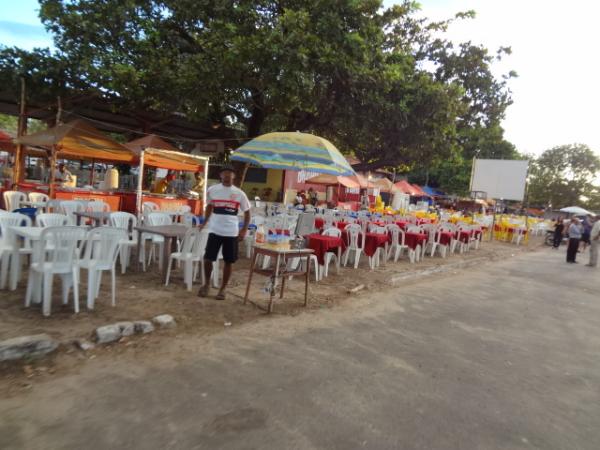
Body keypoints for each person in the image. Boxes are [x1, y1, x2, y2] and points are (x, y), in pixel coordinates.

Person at [198, 164, 251, 300]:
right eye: (224, 173)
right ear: (220, 175)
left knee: (229, 261)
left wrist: (244, 229)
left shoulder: (239, 193)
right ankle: (206, 285)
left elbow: (247, 212)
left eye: (230, 173)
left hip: (231, 233)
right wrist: (204, 222)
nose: (227, 175)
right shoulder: (213, 190)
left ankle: (223, 289)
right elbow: (209, 206)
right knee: (208, 258)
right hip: (215, 230)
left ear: (234, 176)